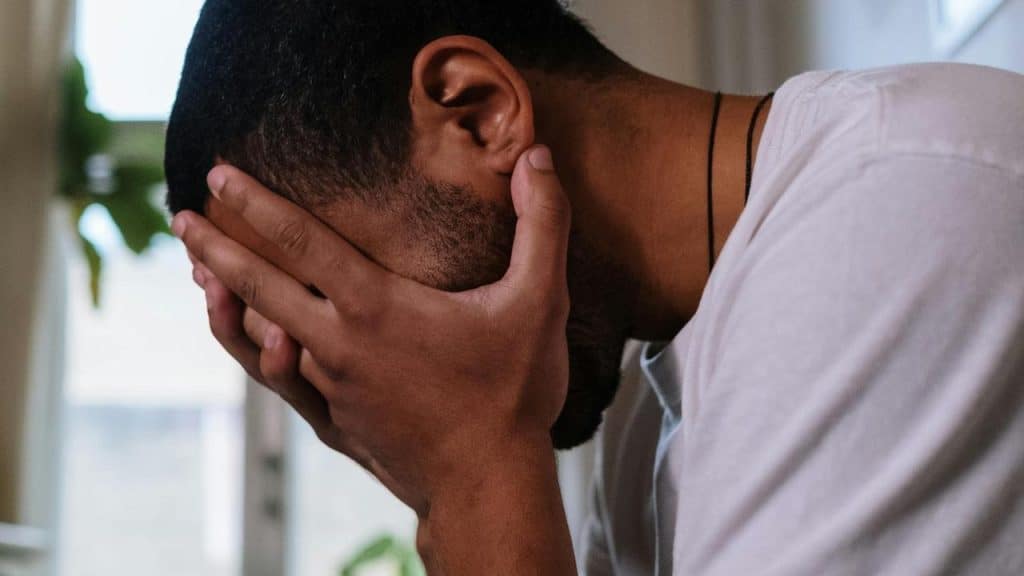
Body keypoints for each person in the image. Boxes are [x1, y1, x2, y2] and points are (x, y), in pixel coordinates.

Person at [164, 1, 1024, 574]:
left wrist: (468, 470)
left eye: (327, 286)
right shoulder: (648, 418)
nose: (341, 366)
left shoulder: (896, 209)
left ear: (477, 113)